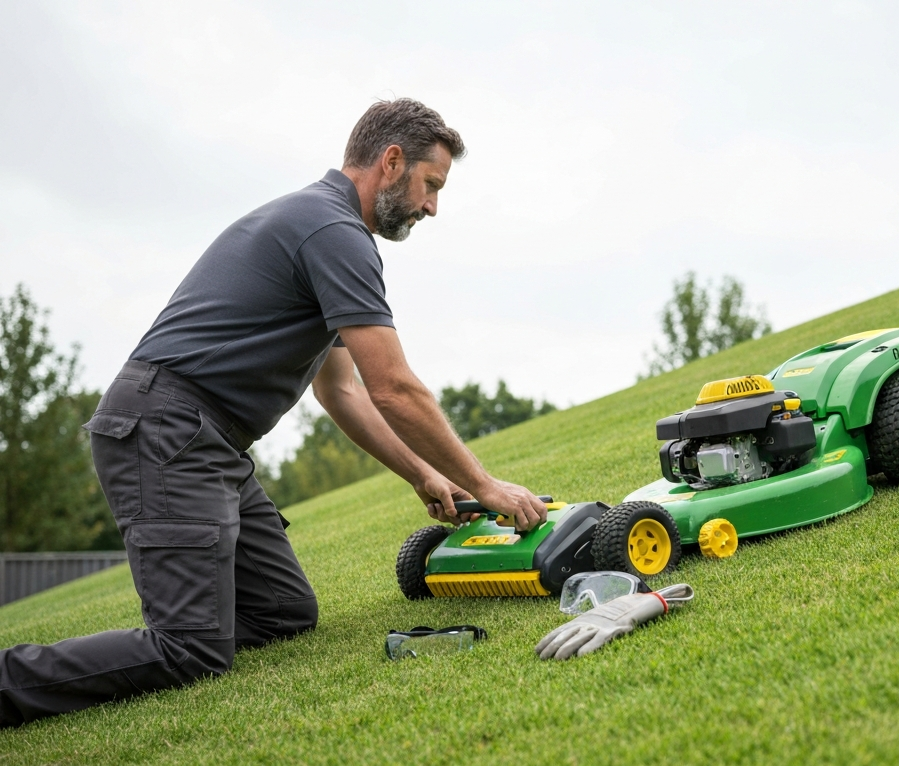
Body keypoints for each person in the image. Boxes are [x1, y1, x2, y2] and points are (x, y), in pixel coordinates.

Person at [0, 99, 547, 727]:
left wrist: (424, 475)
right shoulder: (333, 231)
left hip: (210, 442)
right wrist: (485, 484)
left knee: (284, 614)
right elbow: (393, 386)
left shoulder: (321, 225)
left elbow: (339, 390)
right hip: (166, 429)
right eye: (431, 185)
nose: (432, 207)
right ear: (391, 163)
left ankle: (191, 619)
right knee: (191, 649)